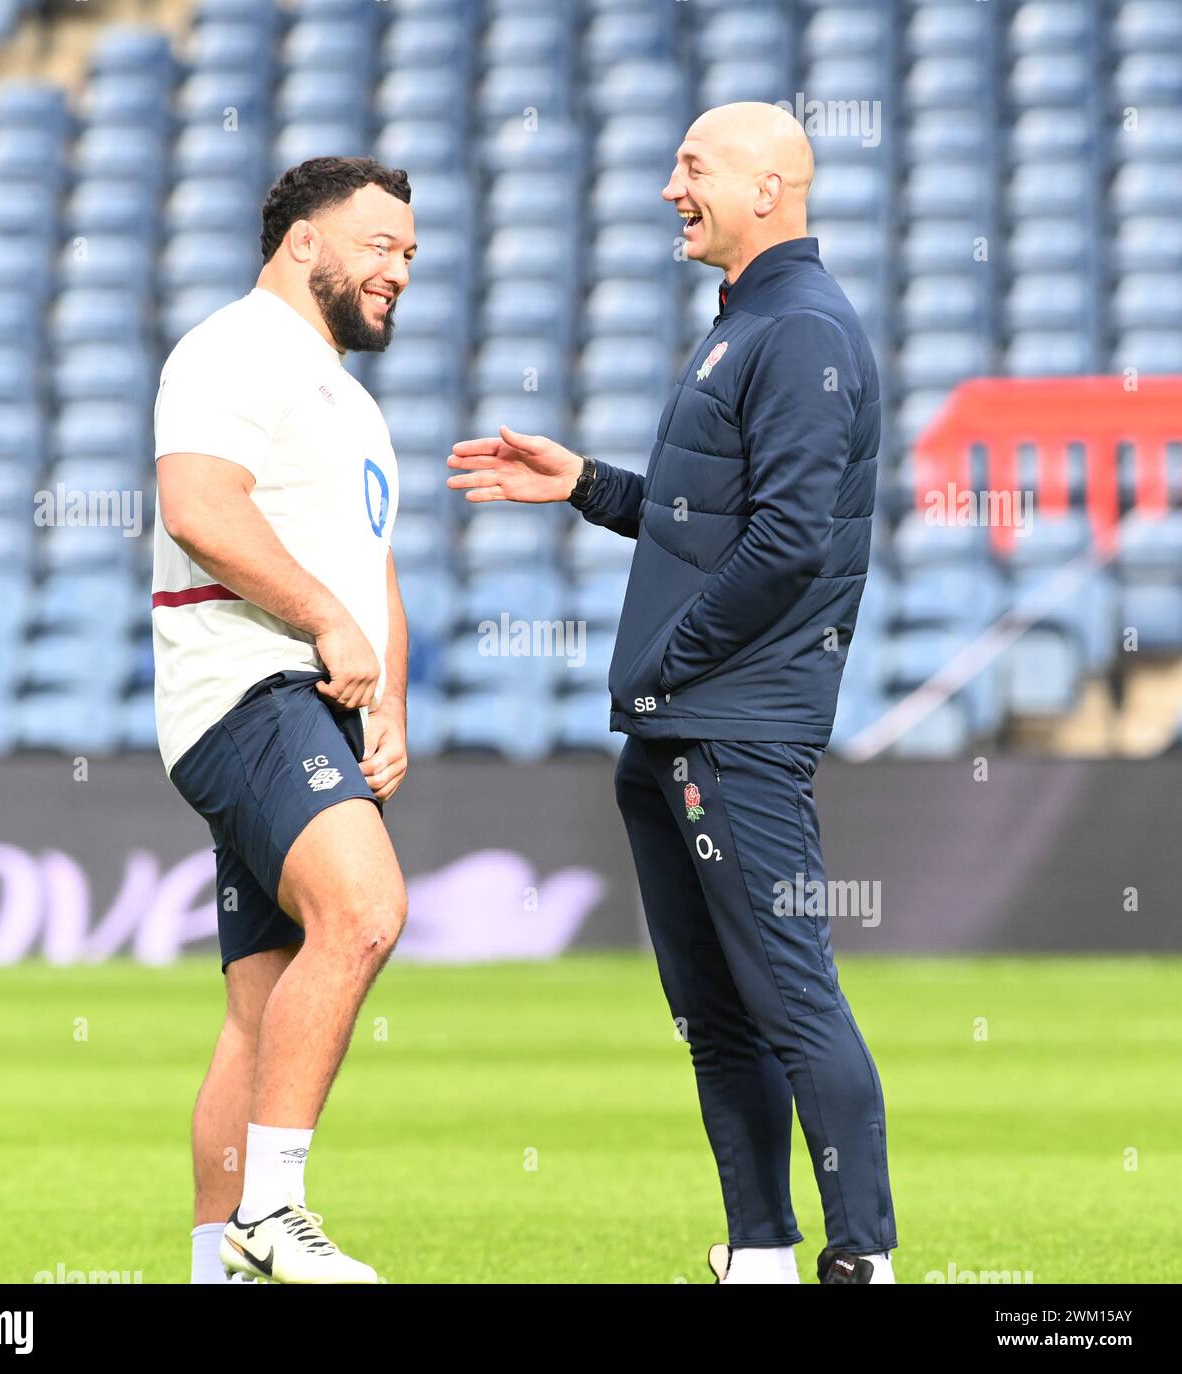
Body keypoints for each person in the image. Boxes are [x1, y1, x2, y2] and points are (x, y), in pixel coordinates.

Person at [447, 103, 897, 1285]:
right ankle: (758, 1252)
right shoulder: (751, 323)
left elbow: (793, 539)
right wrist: (588, 484)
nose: (667, 188)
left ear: (768, 186)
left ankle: (864, 1261)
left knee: (791, 994)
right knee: (714, 1013)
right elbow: (717, 521)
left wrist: (670, 661)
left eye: (690, 166)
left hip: (728, 725)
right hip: (682, 721)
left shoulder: (801, 329)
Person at [152, 156, 414, 1284]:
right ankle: (272, 1212)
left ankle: (220, 1266)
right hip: (249, 684)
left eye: (408, 253)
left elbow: (370, 565)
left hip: (307, 701)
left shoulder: (346, 398)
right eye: (377, 245)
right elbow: (199, 508)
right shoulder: (231, 349)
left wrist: (390, 694)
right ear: (303, 242)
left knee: (260, 1013)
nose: (397, 269)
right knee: (362, 913)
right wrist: (324, 624)